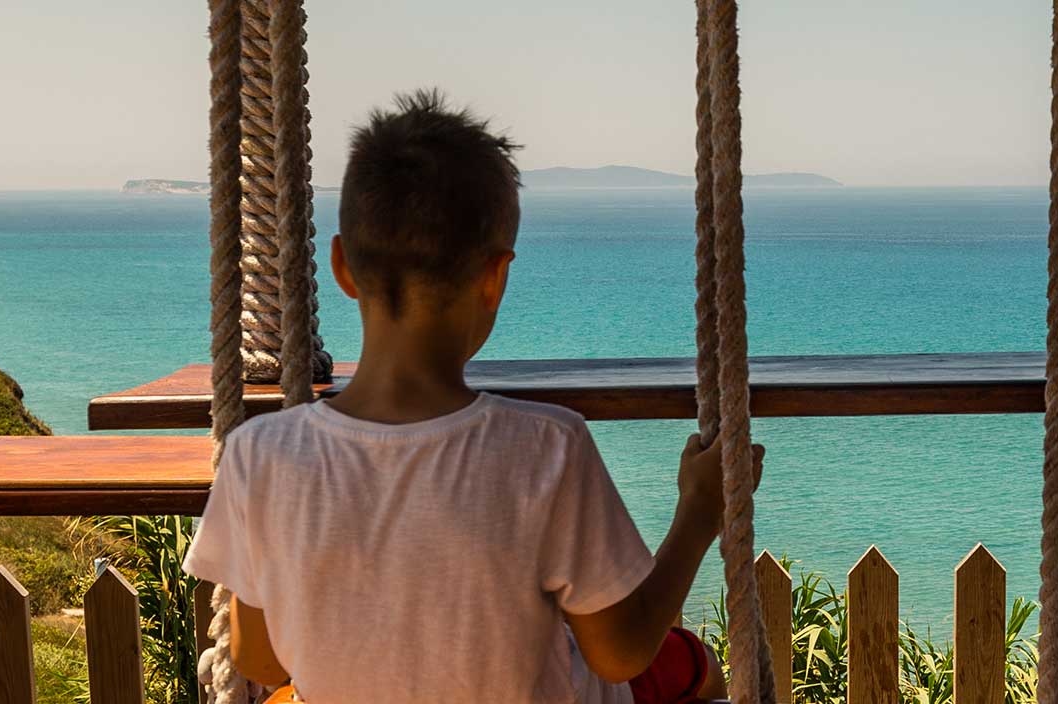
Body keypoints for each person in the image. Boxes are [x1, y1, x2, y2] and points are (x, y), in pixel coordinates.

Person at [186, 91, 737, 704]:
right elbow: (619, 654)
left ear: (341, 265)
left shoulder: (258, 455)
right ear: (494, 277)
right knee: (696, 672)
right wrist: (698, 515)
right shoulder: (548, 447)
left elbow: (260, 658)